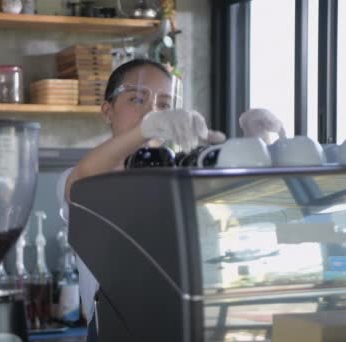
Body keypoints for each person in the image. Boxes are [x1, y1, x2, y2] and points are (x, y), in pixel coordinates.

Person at [56, 59, 226, 341]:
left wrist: (264, 142)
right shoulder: (75, 178)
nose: (151, 111)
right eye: (137, 98)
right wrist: (146, 129)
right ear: (107, 111)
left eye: (164, 105)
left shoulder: (182, 179)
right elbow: (83, 181)